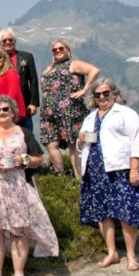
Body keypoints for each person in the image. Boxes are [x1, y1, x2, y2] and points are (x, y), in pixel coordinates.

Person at [0, 95, 59, 276]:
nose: (2, 112)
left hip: (18, 185)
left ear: (13, 112)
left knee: (19, 228)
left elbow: (39, 158)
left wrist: (24, 160)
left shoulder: (24, 133)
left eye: (5, 109)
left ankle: (19, 272)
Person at [78, 79, 139, 271]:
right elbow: (82, 145)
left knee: (125, 212)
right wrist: (80, 141)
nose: (101, 97)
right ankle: (112, 252)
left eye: (105, 93)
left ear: (114, 94)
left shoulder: (126, 114)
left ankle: (131, 255)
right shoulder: (90, 117)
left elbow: (137, 142)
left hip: (120, 169)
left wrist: (134, 169)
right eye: (97, 94)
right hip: (95, 171)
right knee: (103, 213)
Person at [40, 39, 99, 177]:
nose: (58, 51)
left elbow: (94, 71)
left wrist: (84, 90)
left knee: (76, 143)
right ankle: (62, 176)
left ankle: (80, 177)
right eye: (55, 49)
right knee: (50, 143)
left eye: (61, 48)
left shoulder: (73, 64)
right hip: (49, 113)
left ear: (68, 50)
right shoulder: (50, 68)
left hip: (71, 110)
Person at [0, 27, 39, 130]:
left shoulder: (27, 57)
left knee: (26, 135)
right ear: (0, 43)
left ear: (15, 41)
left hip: (24, 105)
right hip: (3, 106)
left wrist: (33, 103)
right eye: (4, 40)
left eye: (10, 40)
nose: (7, 42)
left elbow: (33, 80)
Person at [0, 48, 26, 124]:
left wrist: (6, 110)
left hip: (7, 113)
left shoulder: (11, 73)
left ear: (5, 59)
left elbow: (13, 93)